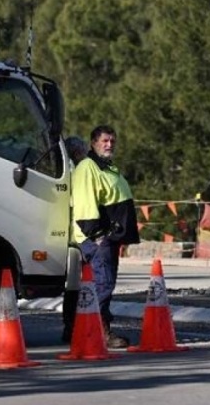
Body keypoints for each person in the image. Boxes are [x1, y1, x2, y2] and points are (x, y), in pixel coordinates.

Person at [71, 125, 140, 348]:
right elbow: (84, 203)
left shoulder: (107, 168)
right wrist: (97, 234)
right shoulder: (87, 168)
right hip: (98, 239)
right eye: (105, 141)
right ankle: (98, 333)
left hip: (108, 238)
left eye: (112, 141)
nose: (109, 144)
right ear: (93, 143)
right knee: (103, 285)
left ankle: (86, 330)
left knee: (101, 285)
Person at [61, 136, 88, 343]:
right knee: (74, 287)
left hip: (70, 235)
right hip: (75, 237)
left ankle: (70, 327)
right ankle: (72, 328)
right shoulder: (74, 172)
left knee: (73, 287)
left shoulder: (69, 169)